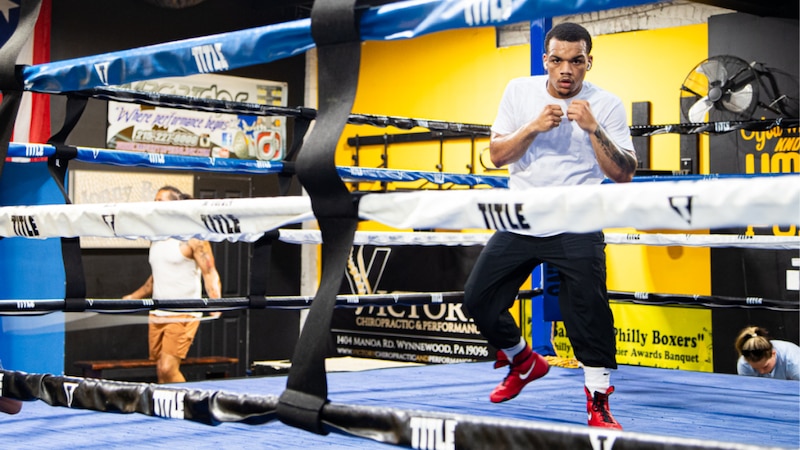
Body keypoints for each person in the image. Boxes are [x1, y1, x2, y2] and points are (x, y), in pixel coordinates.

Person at [463, 22, 637, 430]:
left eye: (576, 61)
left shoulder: (607, 104)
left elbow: (623, 173)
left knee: (588, 310)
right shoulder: (518, 92)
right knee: (478, 299)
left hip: (578, 219)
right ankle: (523, 360)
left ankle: (598, 401)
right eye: (557, 60)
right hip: (522, 217)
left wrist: (594, 128)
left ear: (589, 62)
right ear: (545, 60)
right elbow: (496, 156)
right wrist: (532, 127)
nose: (566, 70)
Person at [124, 186, 222, 384]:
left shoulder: (193, 238)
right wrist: (134, 297)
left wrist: (216, 301)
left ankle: (189, 402)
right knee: (161, 372)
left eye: (160, 201)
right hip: (158, 313)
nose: (155, 205)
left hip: (184, 312)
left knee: (167, 368)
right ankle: (168, 404)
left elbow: (209, 271)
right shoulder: (157, 238)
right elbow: (156, 277)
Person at [734, 326, 800, 380]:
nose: (762, 372)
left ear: (773, 354)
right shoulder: (744, 364)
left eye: (765, 367)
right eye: (755, 368)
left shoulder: (794, 363)